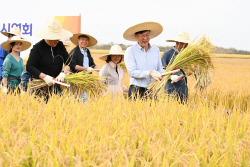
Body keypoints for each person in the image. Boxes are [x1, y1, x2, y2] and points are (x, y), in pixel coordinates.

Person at [26, 20, 73, 102]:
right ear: (48, 36)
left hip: (56, 85)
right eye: (55, 37)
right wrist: (45, 77)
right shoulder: (38, 48)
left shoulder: (60, 46)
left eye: (59, 37)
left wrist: (63, 73)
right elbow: (29, 66)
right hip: (41, 86)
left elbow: (69, 62)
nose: (58, 40)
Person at [123, 21, 164, 99]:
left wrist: (169, 76)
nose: (145, 38)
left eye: (147, 35)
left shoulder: (156, 50)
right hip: (137, 90)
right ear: (136, 36)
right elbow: (132, 72)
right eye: (142, 36)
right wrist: (149, 73)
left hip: (153, 89)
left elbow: (159, 69)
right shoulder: (130, 51)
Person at [161, 31, 192, 103]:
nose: (186, 46)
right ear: (177, 43)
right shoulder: (167, 54)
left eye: (187, 44)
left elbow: (188, 70)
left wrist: (190, 71)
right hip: (171, 91)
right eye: (184, 44)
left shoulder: (186, 55)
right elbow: (161, 71)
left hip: (183, 91)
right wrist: (170, 77)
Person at [69, 31, 100, 102]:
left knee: (84, 99)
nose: (84, 41)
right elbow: (72, 66)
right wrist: (85, 68)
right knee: (79, 99)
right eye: (82, 39)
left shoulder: (87, 51)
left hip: (86, 80)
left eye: (86, 40)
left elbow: (92, 64)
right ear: (78, 40)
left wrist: (101, 70)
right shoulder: (74, 52)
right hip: (77, 80)